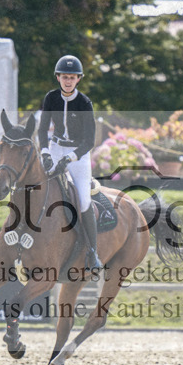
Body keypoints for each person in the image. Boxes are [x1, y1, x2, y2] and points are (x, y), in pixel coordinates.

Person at [38, 54, 102, 271]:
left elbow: (89, 141)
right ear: (58, 77)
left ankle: (92, 252)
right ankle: (12, 234)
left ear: (78, 79)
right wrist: (45, 152)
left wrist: (70, 157)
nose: (68, 81)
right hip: (55, 148)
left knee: (83, 200)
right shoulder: (51, 98)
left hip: (78, 155)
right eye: (65, 77)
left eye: (72, 77)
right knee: (32, 186)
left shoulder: (84, 103)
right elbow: (42, 128)